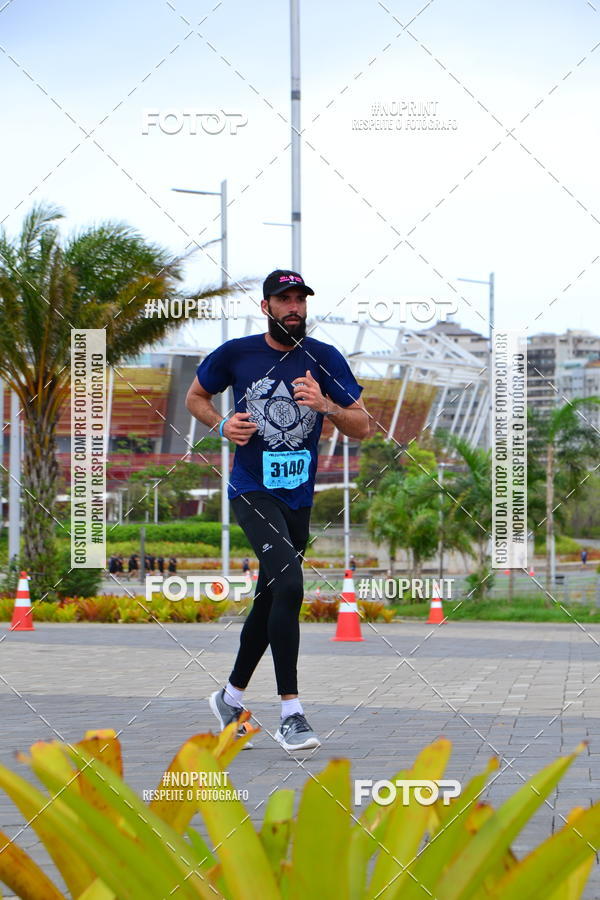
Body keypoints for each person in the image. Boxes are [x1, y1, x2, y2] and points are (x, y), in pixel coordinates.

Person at [186, 268, 369, 752]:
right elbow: (195, 396)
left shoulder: (324, 358)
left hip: (298, 498)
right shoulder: (237, 354)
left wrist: (327, 405)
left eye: (300, 300)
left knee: (271, 597)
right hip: (252, 490)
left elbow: (363, 426)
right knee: (289, 583)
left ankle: (229, 697)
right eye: (284, 300)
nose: (294, 307)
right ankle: (292, 711)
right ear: (265, 307)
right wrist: (222, 423)